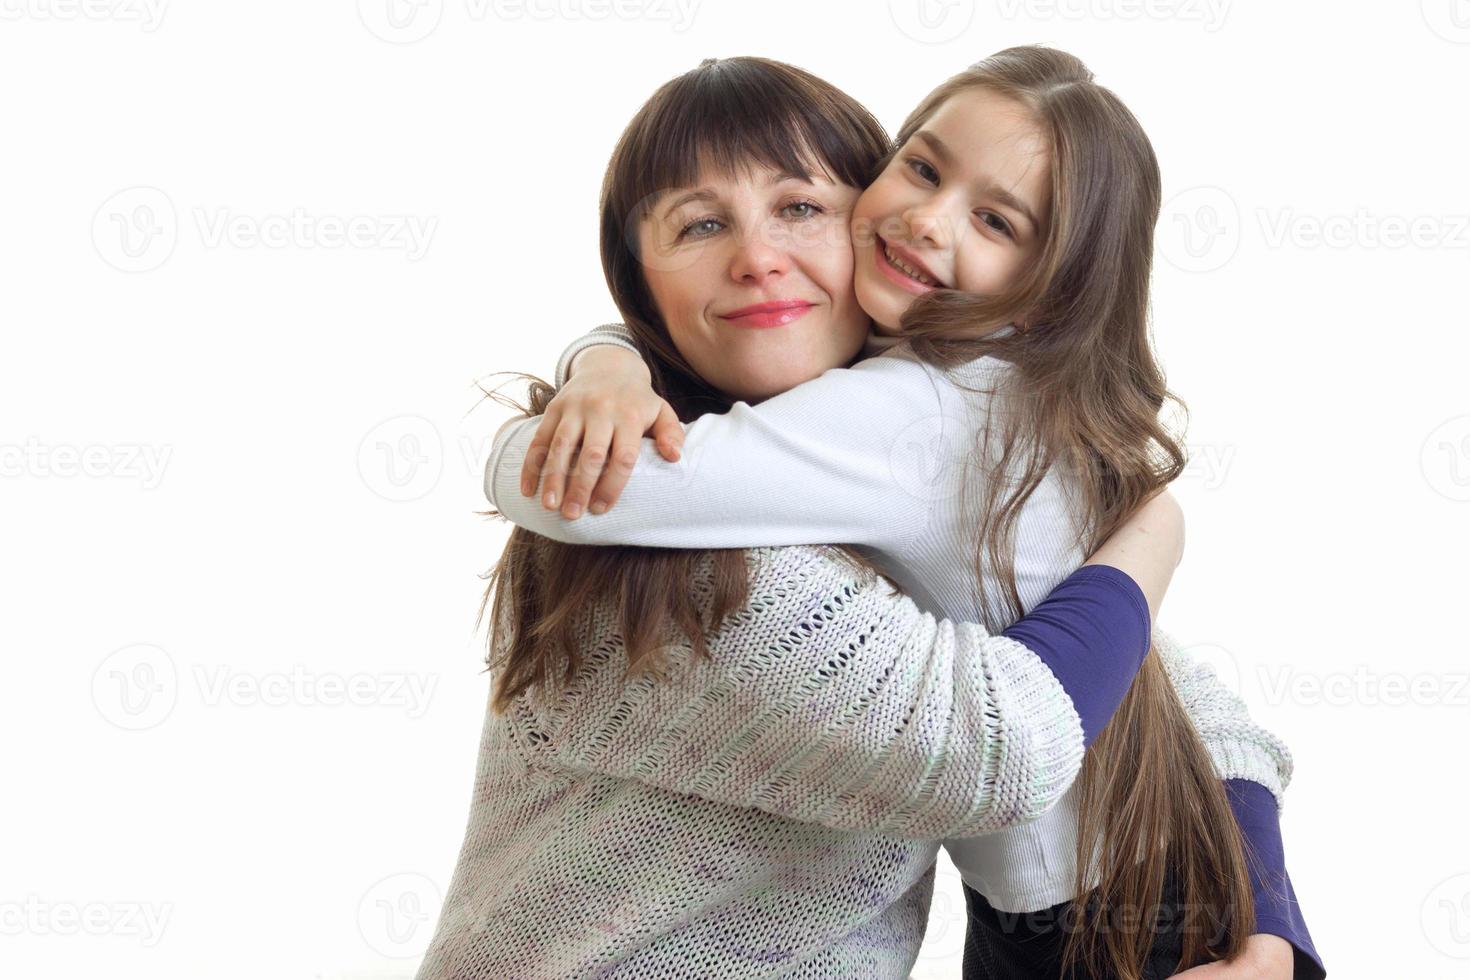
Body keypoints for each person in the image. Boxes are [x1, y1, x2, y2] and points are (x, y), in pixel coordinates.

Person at [490, 50, 1323, 978]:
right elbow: (1003, 748)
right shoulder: (752, 543)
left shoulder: (914, 412)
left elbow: (1177, 694)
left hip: (1101, 916)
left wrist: (1265, 930)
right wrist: (605, 361)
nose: (759, 256)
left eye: (801, 207)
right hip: (1071, 900)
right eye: (922, 169)